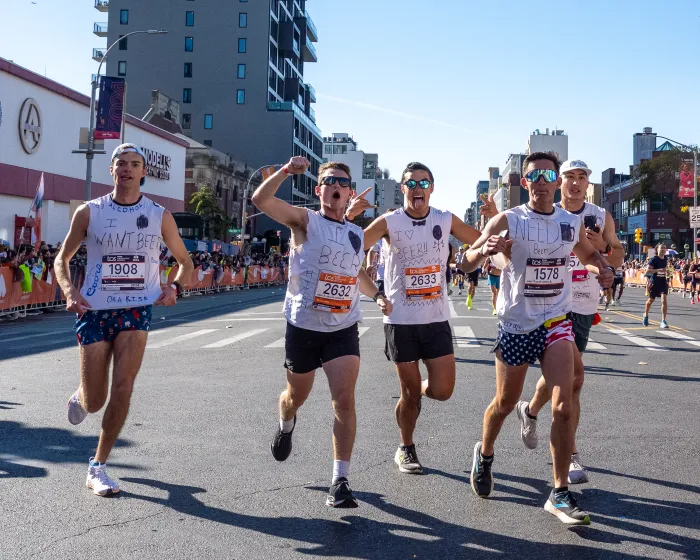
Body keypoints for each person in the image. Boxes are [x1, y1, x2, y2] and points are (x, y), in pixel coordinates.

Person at [462, 152, 614, 525]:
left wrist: (603, 270)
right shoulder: (509, 220)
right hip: (516, 324)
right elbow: (465, 260)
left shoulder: (569, 222)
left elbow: (589, 254)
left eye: (549, 173)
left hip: (556, 322)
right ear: (525, 182)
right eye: (535, 175)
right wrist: (486, 250)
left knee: (564, 404)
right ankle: (485, 452)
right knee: (503, 401)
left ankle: (560, 493)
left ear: (555, 181)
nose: (543, 181)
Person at [251, 156, 391, 509]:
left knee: (344, 399)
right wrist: (283, 170)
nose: (335, 186)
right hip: (303, 327)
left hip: (343, 327)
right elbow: (260, 201)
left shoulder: (356, 234)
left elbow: (354, 272)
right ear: (319, 190)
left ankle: (340, 479)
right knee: (295, 396)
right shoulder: (305, 220)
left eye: (342, 182)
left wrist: (377, 294)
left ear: (349, 192)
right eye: (329, 181)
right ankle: (286, 423)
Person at [54, 143, 193, 496]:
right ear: (112, 171)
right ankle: (83, 395)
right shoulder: (89, 212)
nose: (128, 169)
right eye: (122, 164)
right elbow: (61, 259)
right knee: (96, 399)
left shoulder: (159, 214)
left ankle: (98, 465)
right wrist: (70, 291)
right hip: (95, 310)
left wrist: (174, 288)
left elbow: (185, 262)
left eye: (135, 164)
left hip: (137, 309)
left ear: (143, 171)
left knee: (124, 386)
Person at [347, 161, 494, 474]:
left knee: (442, 390)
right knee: (410, 393)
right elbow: (349, 248)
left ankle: (414, 395)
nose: (417, 189)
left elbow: (481, 241)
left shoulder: (444, 219)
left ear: (432, 188)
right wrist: (349, 218)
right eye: (411, 184)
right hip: (400, 321)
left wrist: (493, 221)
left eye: (424, 183)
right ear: (402, 189)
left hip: (436, 319)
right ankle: (406, 447)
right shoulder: (389, 222)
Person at [514, 159, 623, 488]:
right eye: (569, 177)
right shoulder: (548, 213)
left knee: (564, 380)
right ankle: (571, 453)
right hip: (553, 305)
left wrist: (602, 246)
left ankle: (530, 411)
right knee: (573, 381)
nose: (575, 183)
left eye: (582, 177)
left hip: (585, 306)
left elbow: (617, 254)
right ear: (559, 182)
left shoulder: (600, 216)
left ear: (588, 182)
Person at [643, 244, 670, 328]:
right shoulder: (654, 259)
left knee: (664, 299)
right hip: (654, 282)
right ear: (657, 249)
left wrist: (667, 272)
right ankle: (645, 315)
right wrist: (658, 270)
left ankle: (663, 321)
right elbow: (647, 271)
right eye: (661, 248)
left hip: (662, 281)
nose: (662, 249)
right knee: (650, 301)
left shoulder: (665, 259)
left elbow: (665, 269)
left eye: (664, 248)